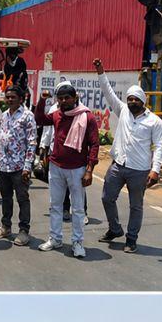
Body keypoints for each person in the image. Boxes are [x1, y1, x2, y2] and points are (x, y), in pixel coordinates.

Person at [94, 60, 162, 253]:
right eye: (130, 99)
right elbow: (108, 92)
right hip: (118, 165)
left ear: (143, 101)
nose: (132, 102)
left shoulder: (155, 121)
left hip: (139, 170)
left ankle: (131, 239)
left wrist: (155, 170)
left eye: (136, 99)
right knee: (107, 198)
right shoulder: (123, 110)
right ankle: (115, 229)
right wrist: (101, 71)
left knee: (136, 206)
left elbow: (159, 147)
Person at [34, 80, 99, 258]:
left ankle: (77, 242)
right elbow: (39, 119)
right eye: (60, 98)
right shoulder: (56, 115)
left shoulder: (87, 117)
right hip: (56, 167)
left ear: (75, 97)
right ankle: (55, 238)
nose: (63, 101)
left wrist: (89, 170)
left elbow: (94, 145)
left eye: (67, 98)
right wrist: (42, 100)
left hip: (77, 169)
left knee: (77, 209)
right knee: (55, 205)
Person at [0, 85, 36, 245]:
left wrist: (27, 166)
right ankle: (5, 226)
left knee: (22, 198)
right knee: (6, 198)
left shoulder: (27, 116)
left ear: (21, 99)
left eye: (13, 97)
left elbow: (31, 143)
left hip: (19, 167)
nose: (9, 99)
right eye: (7, 97)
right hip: (3, 165)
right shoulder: (3, 116)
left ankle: (24, 230)